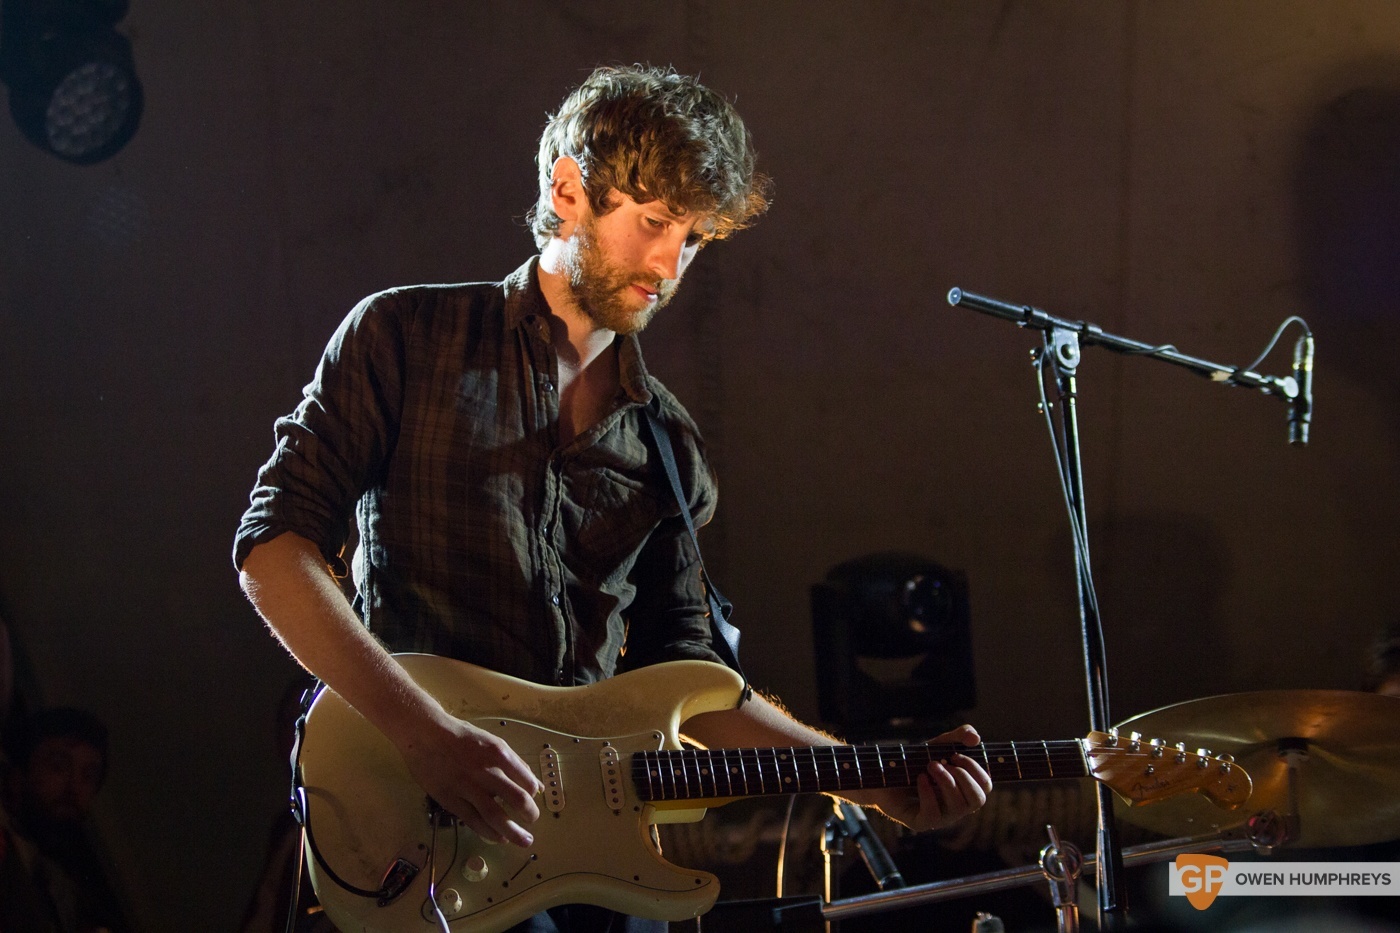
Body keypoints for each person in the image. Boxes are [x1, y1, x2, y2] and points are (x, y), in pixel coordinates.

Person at [234, 64, 992, 932]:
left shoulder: (668, 444)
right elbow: (273, 550)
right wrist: (427, 736)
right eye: (654, 222)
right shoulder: (404, 337)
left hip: (588, 865)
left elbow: (695, 686)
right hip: (417, 833)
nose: (670, 263)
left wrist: (873, 777)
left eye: (696, 238)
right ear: (568, 190)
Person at [0, 707, 133, 933]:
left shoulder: (67, 893)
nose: (74, 788)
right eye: (58, 766)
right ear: (17, 776)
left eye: (88, 776)